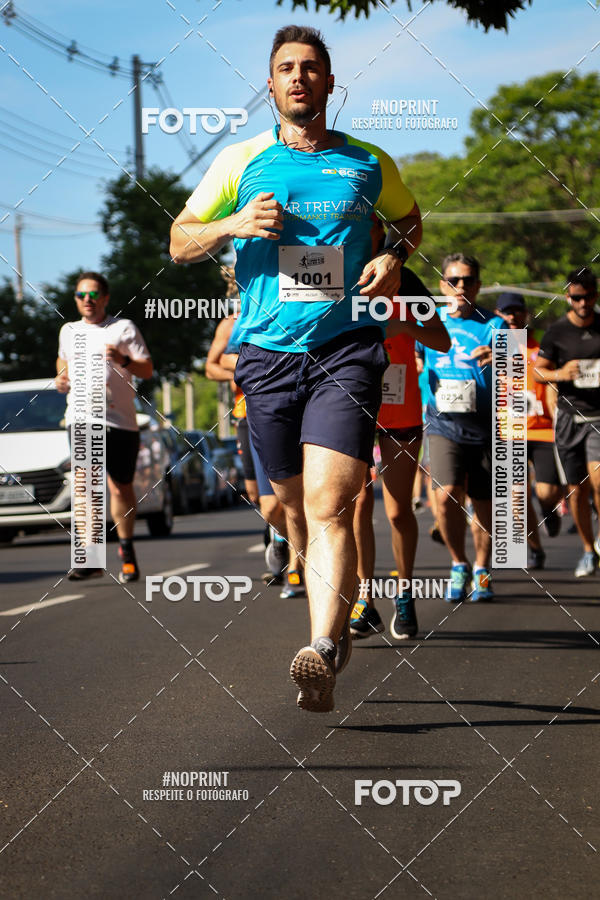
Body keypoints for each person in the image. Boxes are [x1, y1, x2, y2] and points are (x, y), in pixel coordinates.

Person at [170, 25, 422, 711]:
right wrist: (231, 224)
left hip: (346, 349)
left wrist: (393, 258)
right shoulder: (241, 160)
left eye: (312, 68)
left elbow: (408, 219)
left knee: (329, 503)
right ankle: (332, 616)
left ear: (330, 83)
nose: (299, 78)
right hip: (266, 356)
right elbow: (179, 241)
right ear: (272, 85)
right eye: (286, 68)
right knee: (287, 507)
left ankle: (320, 649)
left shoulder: (369, 161)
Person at [352, 220, 450, 642]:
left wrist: (405, 325)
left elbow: (442, 340)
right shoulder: (336, 272)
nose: (362, 228)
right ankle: (363, 599)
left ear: (381, 231)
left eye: (371, 223)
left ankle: (405, 595)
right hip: (350, 400)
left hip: (399, 402)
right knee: (355, 508)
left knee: (396, 510)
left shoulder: (404, 278)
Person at [55, 271, 153, 583]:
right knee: (85, 483)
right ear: (75, 299)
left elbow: (147, 370)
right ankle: (91, 556)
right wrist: (61, 378)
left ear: (105, 298)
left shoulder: (123, 328)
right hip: (81, 418)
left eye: (94, 294)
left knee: (120, 487)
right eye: (82, 295)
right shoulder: (68, 331)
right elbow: (62, 363)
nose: (87, 300)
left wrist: (123, 360)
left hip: (120, 422)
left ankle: (126, 547)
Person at [419, 254, 505, 603]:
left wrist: (501, 358)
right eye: (454, 280)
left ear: (479, 285)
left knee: (484, 502)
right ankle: (458, 562)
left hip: (485, 425)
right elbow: (414, 363)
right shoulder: (429, 322)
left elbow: (517, 377)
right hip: (443, 422)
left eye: (468, 280)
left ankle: (482, 569)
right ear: (443, 285)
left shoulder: (495, 324)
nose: (461, 287)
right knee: (446, 492)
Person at [206, 311, 304, 596]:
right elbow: (212, 366)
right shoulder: (231, 323)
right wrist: (242, 372)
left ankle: (295, 571)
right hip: (247, 416)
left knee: (292, 497)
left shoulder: (284, 310)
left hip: (290, 411)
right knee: (265, 503)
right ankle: (277, 536)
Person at [534, 267, 600, 577]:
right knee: (578, 489)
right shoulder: (557, 332)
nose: (583, 303)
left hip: (598, 417)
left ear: (595, 296)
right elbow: (537, 371)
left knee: (599, 480)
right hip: (569, 418)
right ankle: (588, 550)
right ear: (567, 297)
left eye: (588, 297)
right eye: (577, 298)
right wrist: (561, 374)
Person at [494, 292, 563, 569]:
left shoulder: (541, 344)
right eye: (505, 313)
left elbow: (552, 382)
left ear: (525, 314)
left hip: (543, 430)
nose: (512, 317)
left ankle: (549, 508)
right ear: (498, 316)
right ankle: (535, 549)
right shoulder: (493, 345)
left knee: (546, 492)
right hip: (510, 432)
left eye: (516, 312)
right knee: (516, 498)